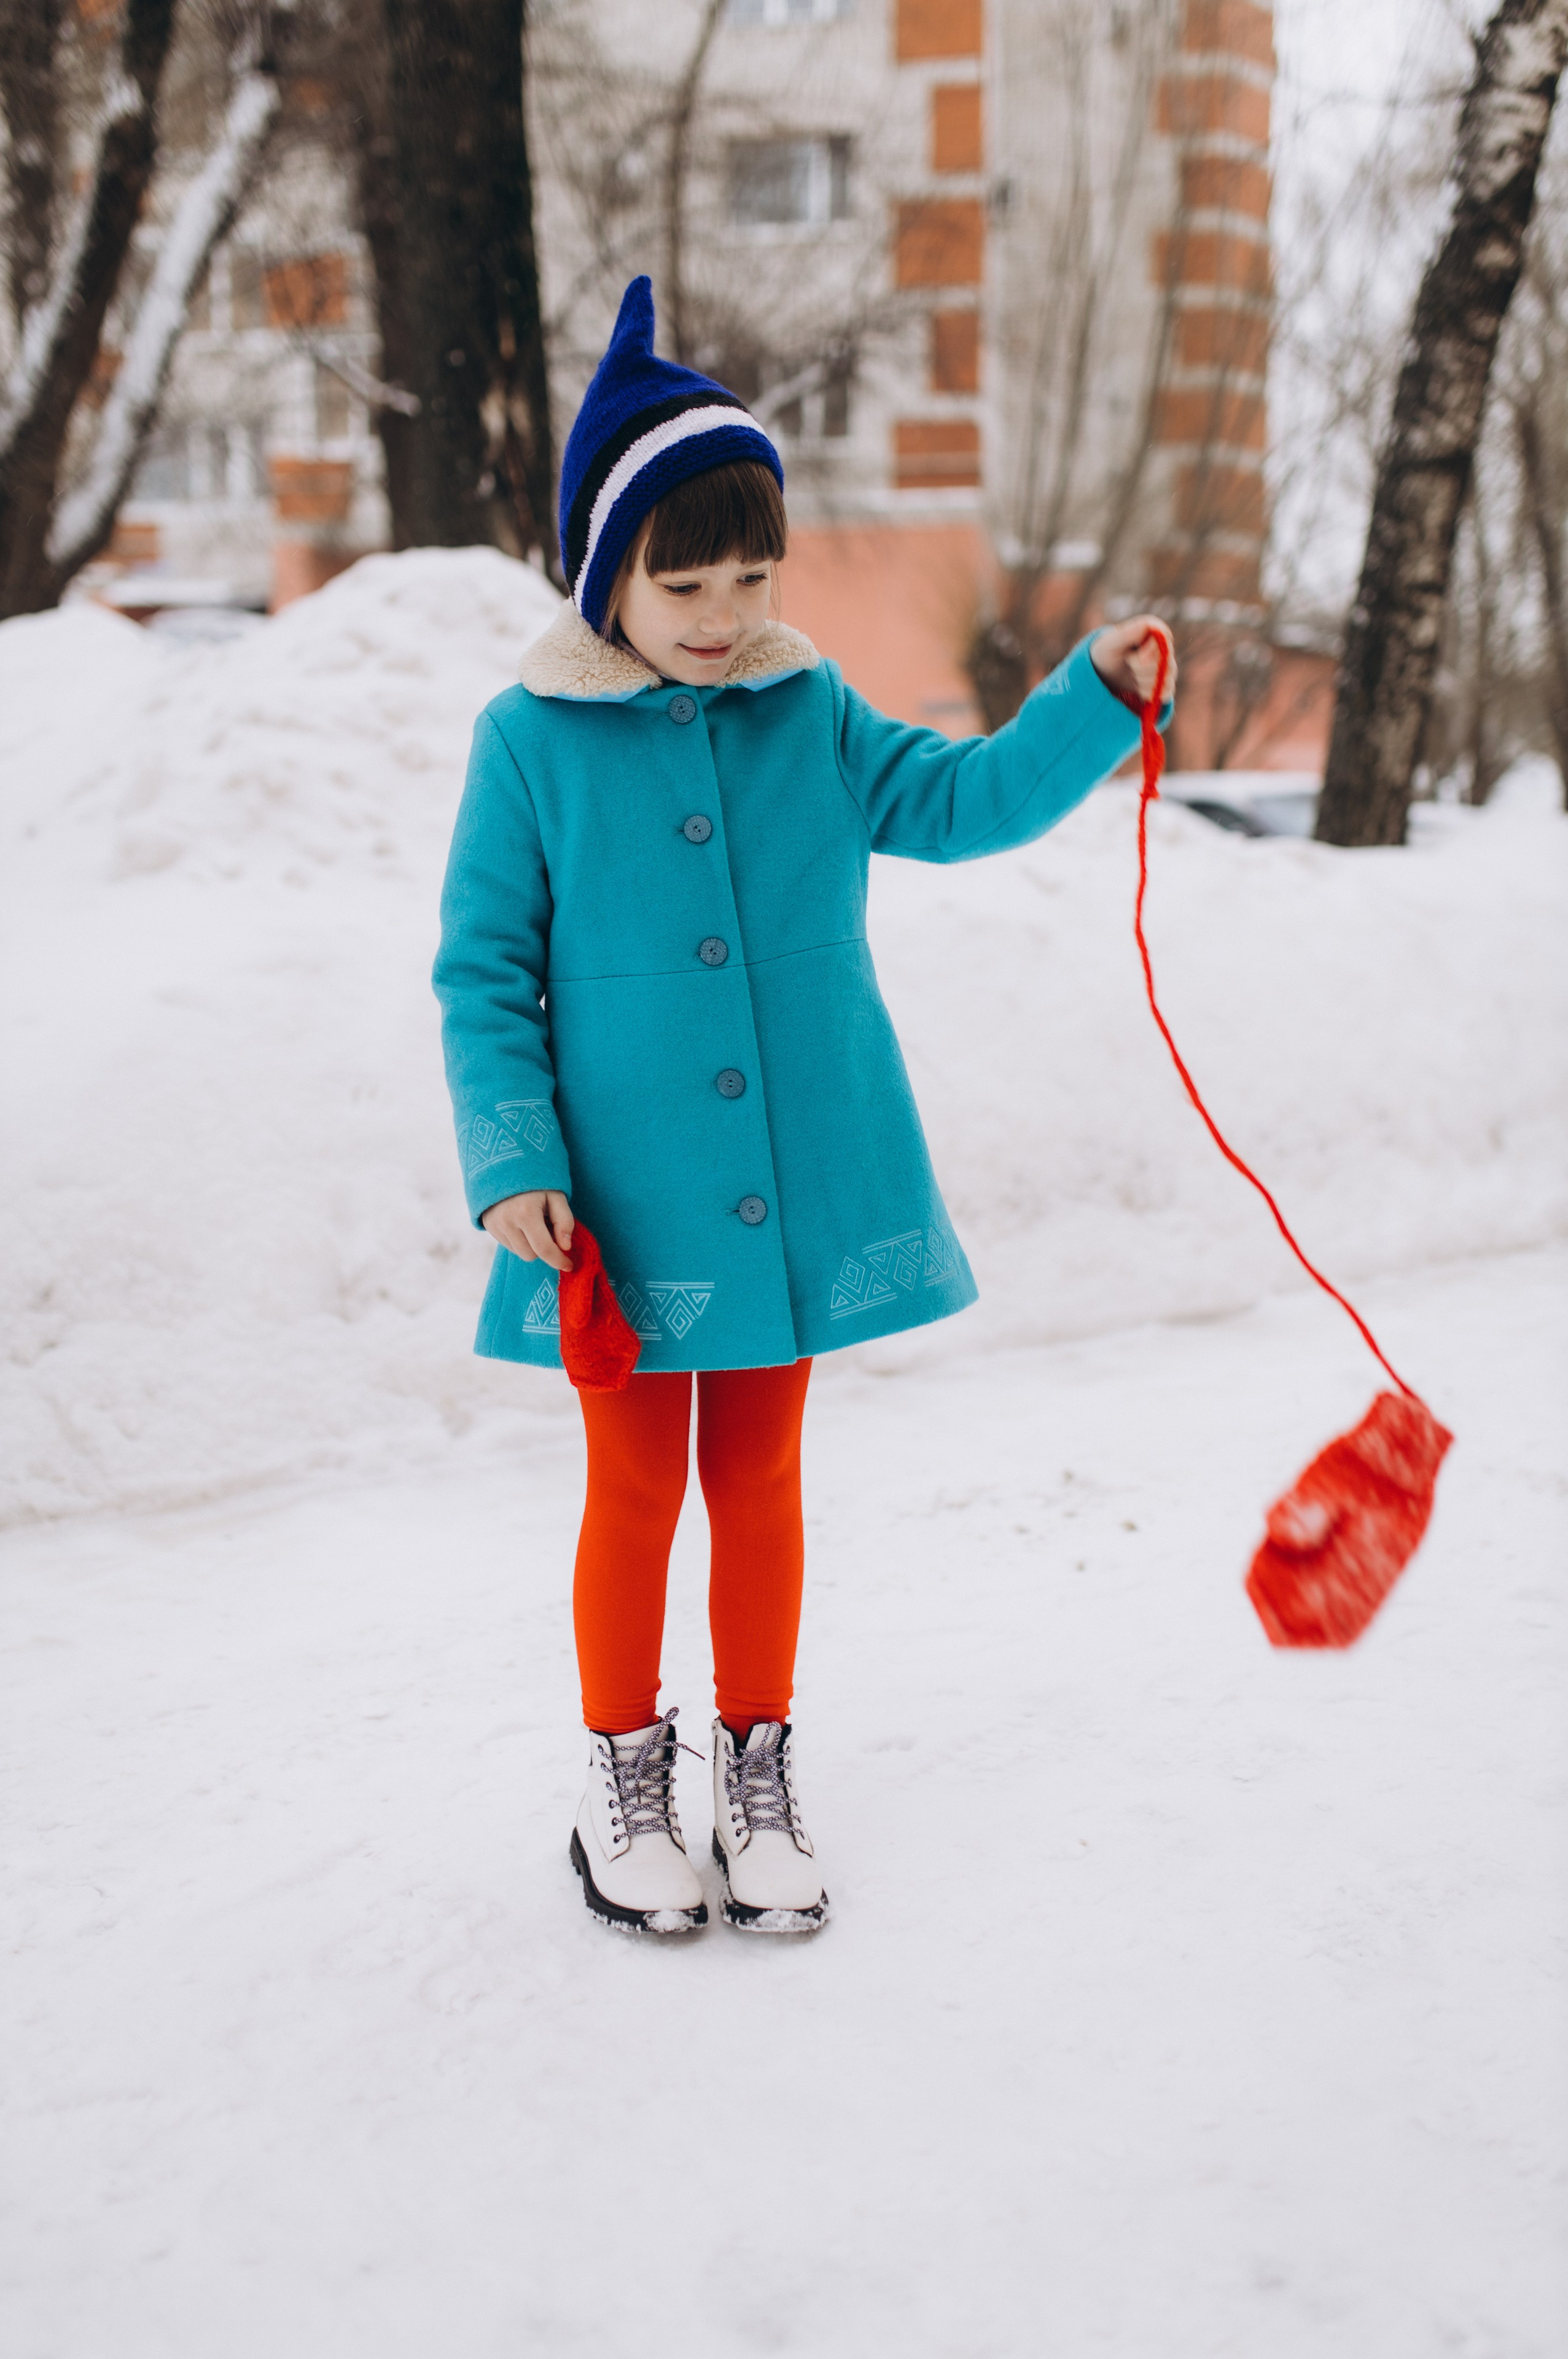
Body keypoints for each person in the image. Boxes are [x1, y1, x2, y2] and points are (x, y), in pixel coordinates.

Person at [434, 277, 1174, 1939]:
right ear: (604, 568)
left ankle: (757, 1771)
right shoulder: (530, 742)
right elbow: (483, 971)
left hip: (779, 1184)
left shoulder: (810, 709)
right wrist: (514, 1160)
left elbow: (964, 802)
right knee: (634, 1487)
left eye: (751, 574)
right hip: (615, 1205)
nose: (721, 610)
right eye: (681, 579)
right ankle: (629, 1775)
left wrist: (1092, 702)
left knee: (758, 1480)